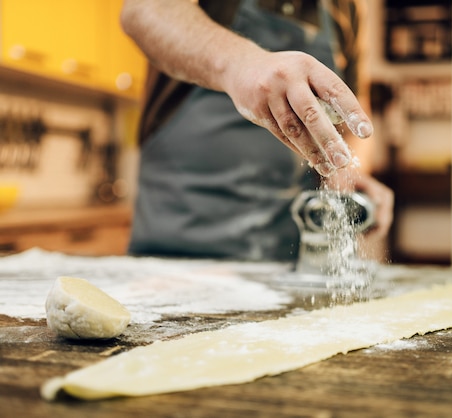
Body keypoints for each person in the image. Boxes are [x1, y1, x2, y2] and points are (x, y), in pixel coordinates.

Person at [120, 0, 393, 261]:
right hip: (178, 247)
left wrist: (346, 171)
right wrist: (241, 63)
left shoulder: (350, 7)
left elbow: (354, 112)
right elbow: (145, 9)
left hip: (289, 254)